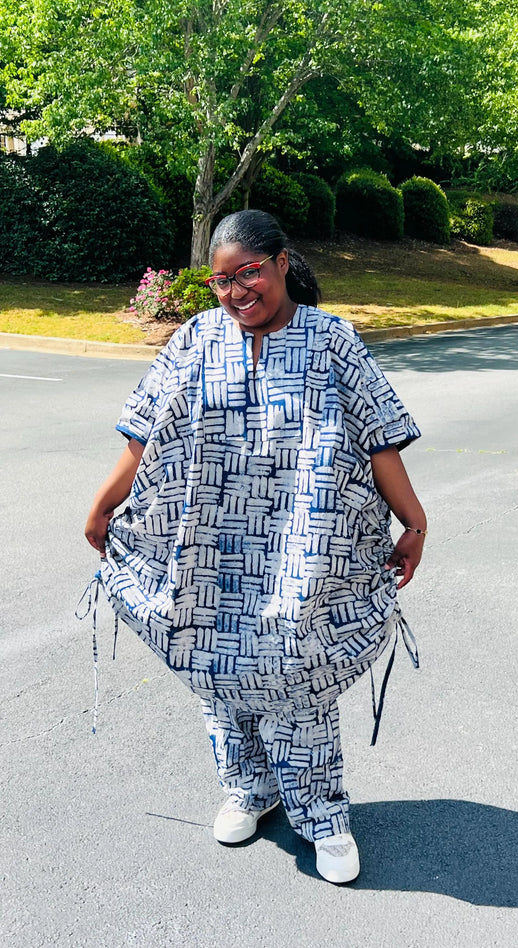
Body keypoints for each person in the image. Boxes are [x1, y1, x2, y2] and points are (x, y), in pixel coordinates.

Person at [84, 209, 426, 885]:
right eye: (219, 281)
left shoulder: (332, 342)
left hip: (306, 548)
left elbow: (379, 438)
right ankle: (249, 788)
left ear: (279, 263)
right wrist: (103, 503)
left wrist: (412, 523)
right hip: (208, 549)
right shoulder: (195, 338)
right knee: (216, 672)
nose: (236, 293)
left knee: (298, 678)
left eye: (247, 274)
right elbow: (143, 433)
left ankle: (322, 815)